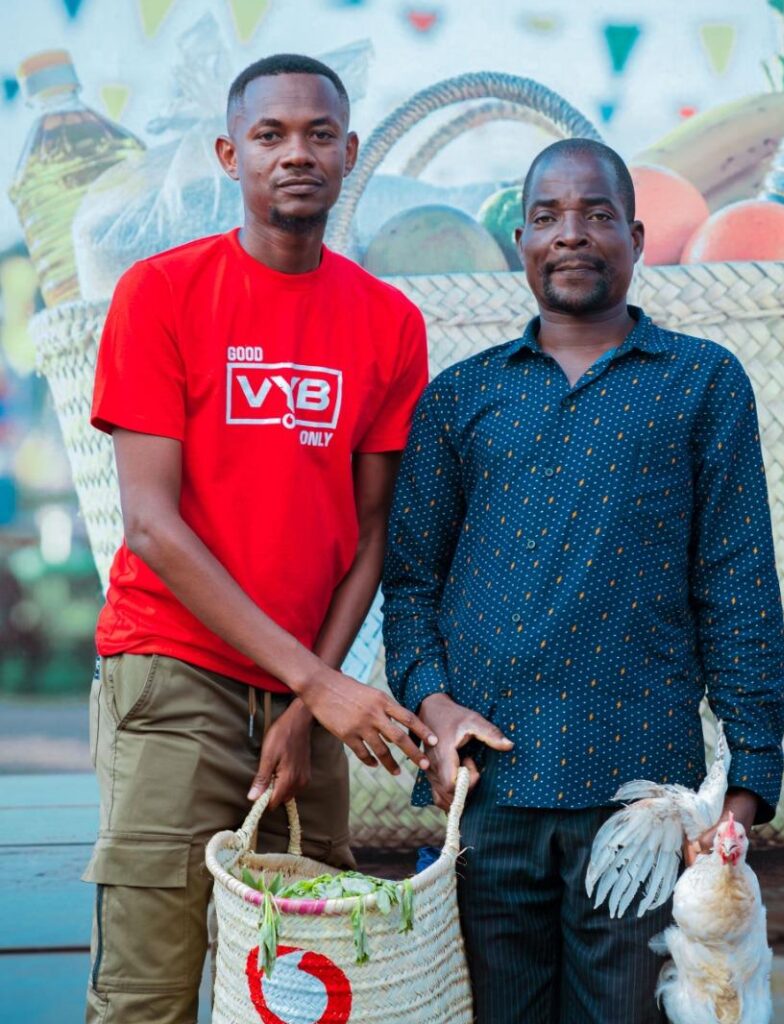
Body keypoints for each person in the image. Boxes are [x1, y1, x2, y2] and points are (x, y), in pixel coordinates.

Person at [382, 138, 784, 1022]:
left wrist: (742, 790)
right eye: (548, 217)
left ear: (635, 239)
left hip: (641, 803)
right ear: (522, 242)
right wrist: (434, 706)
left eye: (598, 214)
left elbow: (739, 589)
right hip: (489, 796)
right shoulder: (461, 398)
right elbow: (409, 586)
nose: (572, 233)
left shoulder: (702, 384)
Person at [84, 54, 437, 1023]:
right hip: (172, 675)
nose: (296, 154)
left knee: (301, 989)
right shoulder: (160, 294)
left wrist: (307, 698)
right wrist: (319, 686)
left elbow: (374, 531)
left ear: (350, 152)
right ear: (228, 153)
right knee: (145, 991)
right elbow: (152, 528)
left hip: (305, 696)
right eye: (270, 135)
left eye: (319, 135)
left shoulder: (389, 323)